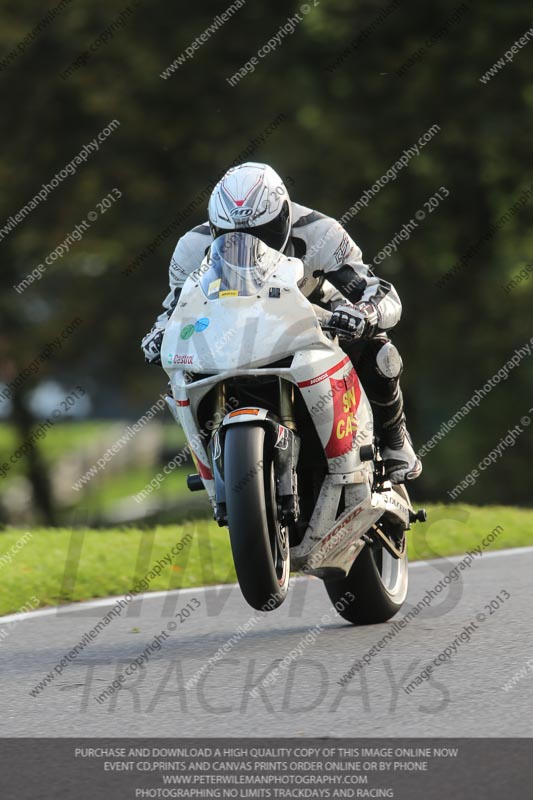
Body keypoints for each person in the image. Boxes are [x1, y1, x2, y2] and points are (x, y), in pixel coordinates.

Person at [141, 162, 421, 483]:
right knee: (179, 377)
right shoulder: (192, 247)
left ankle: (395, 440)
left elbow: (375, 290)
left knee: (379, 352)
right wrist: (159, 333)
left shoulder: (322, 232)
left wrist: (365, 313)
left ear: (285, 216)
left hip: (315, 322)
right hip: (229, 332)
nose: (249, 245)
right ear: (215, 228)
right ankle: (214, 469)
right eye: (232, 237)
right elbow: (175, 309)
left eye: (262, 233)